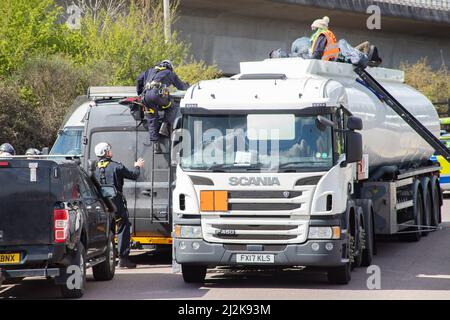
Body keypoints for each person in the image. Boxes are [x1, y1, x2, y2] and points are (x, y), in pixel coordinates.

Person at [94, 142, 145, 269]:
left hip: (101, 205)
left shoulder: (93, 169)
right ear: (106, 152)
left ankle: (104, 257)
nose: (111, 151)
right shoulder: (117, 167)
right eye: (109, 150)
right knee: (122, 228)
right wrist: (137, 166)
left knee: (106, 230)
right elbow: (134, 175)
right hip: (116, 204)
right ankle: (123, 259)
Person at [136, 60, 189, 153]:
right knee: (173, 107)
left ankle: (156, 145)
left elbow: (138, 80)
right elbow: (181, 86)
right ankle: (164, 126)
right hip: (158, 96)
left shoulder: (149, 71)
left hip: (146, 98)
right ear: (169, 67)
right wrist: (190, 87)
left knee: (152, 119)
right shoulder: (169, 73)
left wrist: (139, 92)